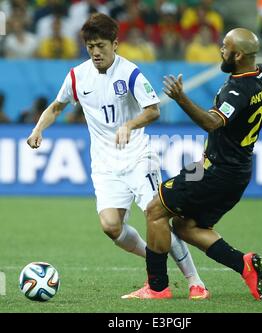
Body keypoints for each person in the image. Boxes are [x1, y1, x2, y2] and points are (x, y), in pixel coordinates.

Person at [27, 13, 209, 300]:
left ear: (115, 44)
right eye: (90, 47)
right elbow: (56, 107)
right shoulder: (77, 75)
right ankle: (155, 260)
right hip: (104, 164)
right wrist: (38, 129)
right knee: (111, 225)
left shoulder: (131, 73)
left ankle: (196, 282)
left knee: (156, 218)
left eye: (101, 46)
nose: (96, 52)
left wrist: (129, 125)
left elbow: (153, 109)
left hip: (138, 157)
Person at [123, 28, 262, 300]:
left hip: (215, 170)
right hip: (236, 171)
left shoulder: (236, 89)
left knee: (155, 210)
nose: (221, 50)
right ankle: (243, 264)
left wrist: (181, 98)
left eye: (225, 46)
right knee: (186, 227)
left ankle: (157, 288)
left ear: (238, 54)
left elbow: (212, 122)